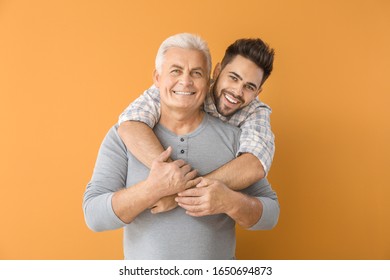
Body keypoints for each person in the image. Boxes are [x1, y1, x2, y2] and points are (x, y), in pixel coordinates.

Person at [83, 33, 279, 259]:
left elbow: (270, 212)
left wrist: (231, 201)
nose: (185, 82)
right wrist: (152, 189)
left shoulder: (239, 137)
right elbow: (94, 216)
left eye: (196, 73)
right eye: (175, 71)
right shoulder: (124, 134)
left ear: (207, 79)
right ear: (157, 78)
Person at [118, 36, 275, 214]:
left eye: (249, 87)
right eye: (233, 78)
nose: (237, 91)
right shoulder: (184, 88)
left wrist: (180, 193)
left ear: (258, 92)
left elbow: (255, 164)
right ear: (216, 71)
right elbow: (130, 123)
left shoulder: (256, 111)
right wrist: (172, 177)